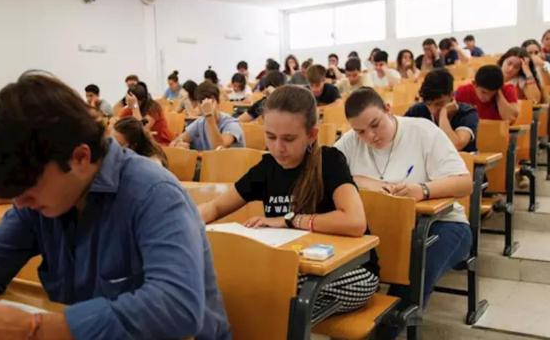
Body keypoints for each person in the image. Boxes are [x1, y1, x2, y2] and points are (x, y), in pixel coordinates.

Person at [0, 74, 230, 340]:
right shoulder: (39, 197)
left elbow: (176, 308)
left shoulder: (155, 193)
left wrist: (35, 328)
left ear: (79, 158)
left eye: (27, 191)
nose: (19, 204)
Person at [199, 85, 379, 317]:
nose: (277, 148)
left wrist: (290, 220)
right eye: (270, 137)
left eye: (289, 139)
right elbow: (215, 207)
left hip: (351, 271)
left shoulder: (330, 161)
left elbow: (354, 222)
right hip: (293, 271)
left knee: (270, 302)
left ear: (312, 134)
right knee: (245, 292)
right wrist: (180, 226)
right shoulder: (266, 169)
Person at [336, 87, 472, 306]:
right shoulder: (350, 141)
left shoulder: (422, 131)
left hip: (441, 224)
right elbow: (323, 178)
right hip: (383, 227)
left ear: (388, 110)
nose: (370, 136)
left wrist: (422, 190)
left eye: (375, 125)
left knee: (412, 272)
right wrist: (366, 182)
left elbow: (465, 183)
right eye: (360, 131)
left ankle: (390, 326)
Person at [405, 69, 479, 152]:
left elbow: (455, 145)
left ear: (451, 95)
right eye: (429, 104)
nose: (433, 110)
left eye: (438, 104)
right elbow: (399, 135)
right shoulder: (418, 110)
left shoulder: (467, 113)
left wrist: (443, 114)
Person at [171, 81, 245, 150]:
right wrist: (180, 143)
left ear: (217, 101)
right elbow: (177, 141)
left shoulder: (231, 124)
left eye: (210, 101)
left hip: (232, 163)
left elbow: (218, 148)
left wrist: (209, 115)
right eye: (201, 102)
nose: (205, 106)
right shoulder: (200, 122)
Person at [455, 65, 519, 122]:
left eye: (492, 94)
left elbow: (510, 118)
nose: (488, 98)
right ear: (474, 84)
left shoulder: (507, 90)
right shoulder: (463, 91)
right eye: (484, 92)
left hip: (499, 133)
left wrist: (498, 93)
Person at [522, 39, 550, 103]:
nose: (533, 55)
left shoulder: (546, 64)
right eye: (530, 53)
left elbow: (548, 87)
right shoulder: (521, 68)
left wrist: (542, 66)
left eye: (536, 52)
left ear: (541, 53)